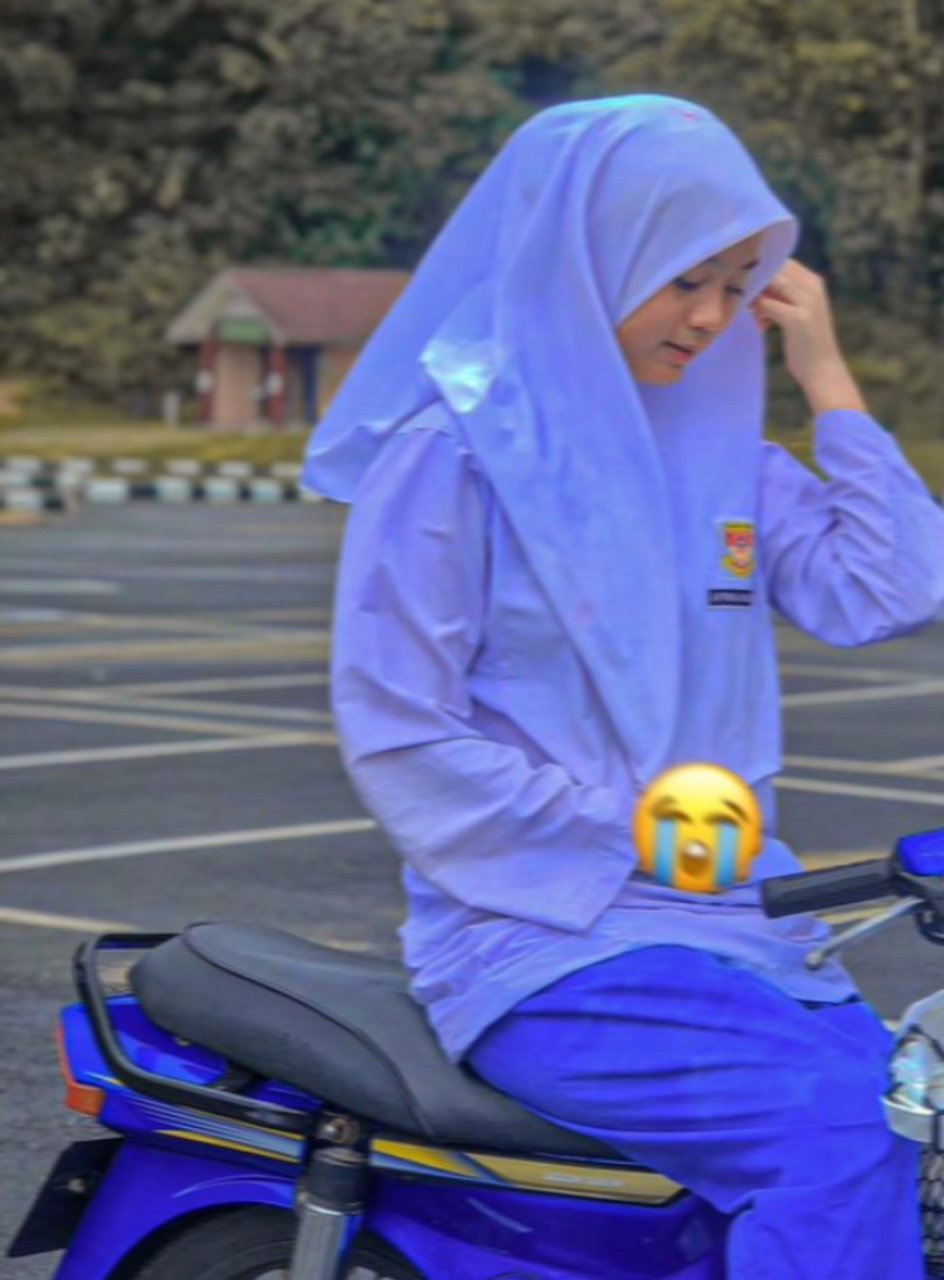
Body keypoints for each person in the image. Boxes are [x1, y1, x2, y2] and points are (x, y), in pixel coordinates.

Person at [301, 96, 944, 1278]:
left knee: (915, 1127)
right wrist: (635, 829)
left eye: (736, 284)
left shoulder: (724, 459)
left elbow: (889, 587)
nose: (709, 316)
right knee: (844, 1137)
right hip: (543, 942)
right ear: (587, 258)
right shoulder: (453, 458)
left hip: (734, 926)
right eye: (682, 278)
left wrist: (825, 374)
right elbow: (400, 734)